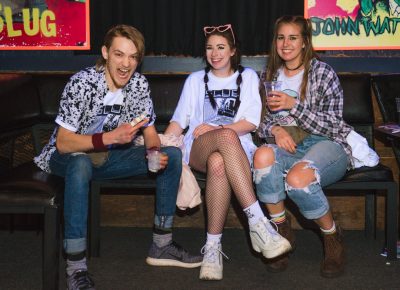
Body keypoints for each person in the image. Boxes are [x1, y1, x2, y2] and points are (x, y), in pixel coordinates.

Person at [34, 24, 202, 290]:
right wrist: (109, 138)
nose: (126, 64)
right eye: (119, 55)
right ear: (105, 53)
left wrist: (153, 152)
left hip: (107, 160)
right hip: (66, 158)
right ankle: (76, 267)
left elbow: (148, 129)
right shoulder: (82, 83)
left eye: (133, 57)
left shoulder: (138, 84)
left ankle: (162, 245)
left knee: (171, 154)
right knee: (79, 163)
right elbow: (64, 143)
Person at [165, 23, 291, 281]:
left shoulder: (248, 78)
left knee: (219, 162)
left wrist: (219, 126)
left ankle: (212, 248)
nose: (215, 53)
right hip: (198, 146)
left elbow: (251, 123)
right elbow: (179, 121)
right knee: (222, 140)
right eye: (210, 48)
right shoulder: (194, 81)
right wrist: (163, 142)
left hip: (236, 149)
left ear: (233, 50)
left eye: (221, 47)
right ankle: (258, 223)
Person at [253, 15, 355, 278]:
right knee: (262, 156)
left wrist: (293, 105)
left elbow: (334, 126)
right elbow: (259, 124)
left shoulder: (322, 73)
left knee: (299, 178)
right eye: (280, 37)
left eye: (293, 38)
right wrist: (274, 129)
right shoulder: (269, 75)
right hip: (290, 146)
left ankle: (332, 238)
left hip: (327, 145)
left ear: (304, 42)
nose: (286, 44)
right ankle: (281, 230)